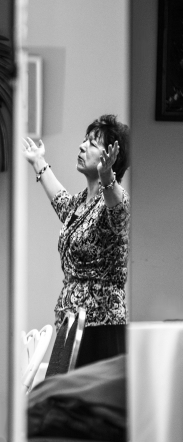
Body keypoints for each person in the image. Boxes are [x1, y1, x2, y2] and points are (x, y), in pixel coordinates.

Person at [23, 114, 130, 367]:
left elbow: (118, 209)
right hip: (71, 321)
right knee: (64, 401)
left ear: (111, 157)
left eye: (92, 144)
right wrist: (39, 162)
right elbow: (62, 202)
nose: (82, 146)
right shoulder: (82, 202)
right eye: (85, 141)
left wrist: (107, 178)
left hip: (100, 326)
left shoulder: (116, 202)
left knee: (87, 403)